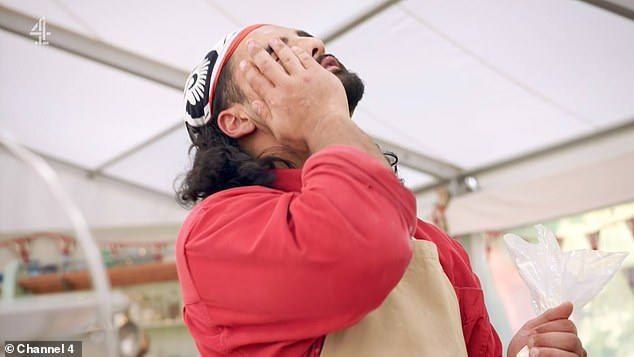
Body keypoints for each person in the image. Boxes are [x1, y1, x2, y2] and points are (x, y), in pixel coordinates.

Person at [175, 24, 586, 357]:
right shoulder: (213, 234)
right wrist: (322, 116)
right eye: (278, 52)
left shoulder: (431, 242)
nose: (315, 43)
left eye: (304, 36)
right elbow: (362, 245)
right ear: (236, 121)